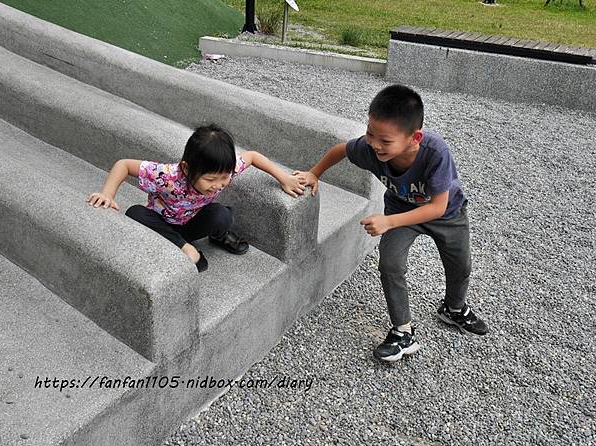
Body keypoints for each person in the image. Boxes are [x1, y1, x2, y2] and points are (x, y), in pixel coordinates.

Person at [294, 85, 487, 362]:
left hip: (448, 216)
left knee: (460, 265)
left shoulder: (436, 153)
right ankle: (402, 331)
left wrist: (388, 221)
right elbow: (342, 150)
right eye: (370, 133)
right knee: (390, 264)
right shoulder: (370, 149)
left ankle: (454, 309)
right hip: (400, 210)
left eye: (385, 140)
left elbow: (437, 207)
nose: (374, 144)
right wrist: (315, 174)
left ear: (414, 138)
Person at [87, 124, 305, 272]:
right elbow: (123, 164)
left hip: (192, 222)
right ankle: (185, 248)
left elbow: (253, 156)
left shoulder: (224, 170)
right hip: (161, 224)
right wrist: (108, 194)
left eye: (225, 177)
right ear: (186, 168)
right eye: (211, 179)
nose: (218, 184)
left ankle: (214, 237)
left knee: (222, 215)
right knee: (135, 212)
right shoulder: (166, 175)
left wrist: (284, 178)